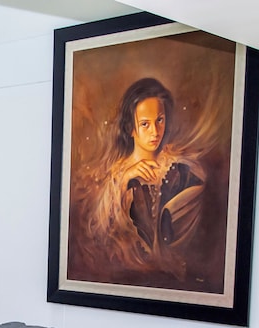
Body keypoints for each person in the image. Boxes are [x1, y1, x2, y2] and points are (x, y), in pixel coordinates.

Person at [72, 77, 206, 282]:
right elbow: (98, 233)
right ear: (131, 128)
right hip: (125, 279)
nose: (155, 131)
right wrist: (124, 181)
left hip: (172, 278)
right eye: (145, 124)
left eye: (159, 120)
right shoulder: (115, 176)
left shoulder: (179, 166)